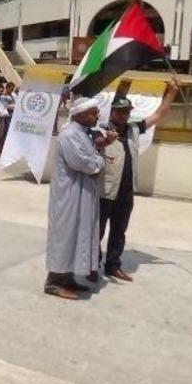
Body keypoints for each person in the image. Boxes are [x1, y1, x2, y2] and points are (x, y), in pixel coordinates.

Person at [97, 79, 178, 282]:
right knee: (96, 231)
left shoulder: (134, 129)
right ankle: (90, 265)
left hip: (125, 192)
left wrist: (171, 93)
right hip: (104, 191)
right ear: (112, 112)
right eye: (119, 112)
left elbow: (159, 114)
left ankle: (113, 265)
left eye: (126, 112)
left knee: (119, 231)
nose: (123, 115)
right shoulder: (101, 130)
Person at [45, 97, 117, 300]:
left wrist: (97, 157)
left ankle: (67, 277)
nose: (97, 115)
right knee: (65, 235)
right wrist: (99, 161)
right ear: (80, 114)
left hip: (82, 194)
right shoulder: (69, 135)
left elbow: (91, 160)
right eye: (93, 112)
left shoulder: (83, 134)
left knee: (78, 235)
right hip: (69, 197)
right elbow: (87, 166)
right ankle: (53, 281)